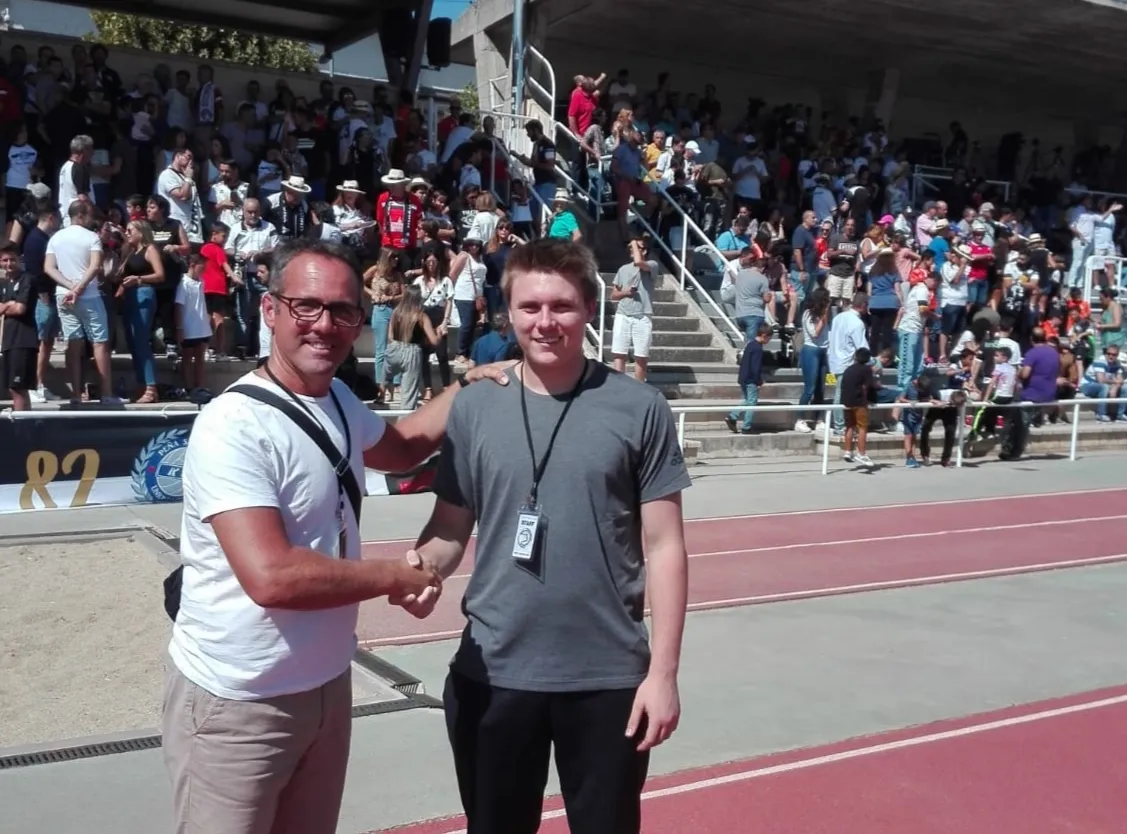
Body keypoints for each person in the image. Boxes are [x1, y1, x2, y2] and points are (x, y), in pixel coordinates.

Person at [162, 238, 510, 834]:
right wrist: (397, 576)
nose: (324, 325)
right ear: (270, 309)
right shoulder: (234, 424)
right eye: (307, 306)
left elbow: (402, 448)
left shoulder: (338, 399)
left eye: (342, 311)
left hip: (326, 685)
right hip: (240, 703)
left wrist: (467, 387)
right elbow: (271, 576)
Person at [393, 238, 691, 834]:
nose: (545, 322)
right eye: (530, 307)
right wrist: (422, 569)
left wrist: (663, 675)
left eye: (562, 306)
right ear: (508, 312)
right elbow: (450, 527)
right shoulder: (476, 407)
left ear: (589, 309)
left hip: (608, 678)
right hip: (493, 673)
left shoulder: (639, 408)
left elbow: (664, 547)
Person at [0, 241, 37, 411]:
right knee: (13, 387)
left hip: (23, 340)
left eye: (12, 259)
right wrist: (10, 304)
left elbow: (20, 309)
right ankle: (27, 422)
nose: (9, 264)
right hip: (9, 340)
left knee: (18, 387)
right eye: (5, 260)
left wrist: (6, 306)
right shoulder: (4, 283)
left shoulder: (27, 279)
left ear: (19, 259)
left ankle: (21, 423)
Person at [840, 347, 875, 468]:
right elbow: (867, 386)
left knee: (849, 426)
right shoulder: (866, 369)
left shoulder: (848, 369)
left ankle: (848, 451)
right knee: (862, 427)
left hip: (846, 402)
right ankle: (861, 453)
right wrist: (868, 400)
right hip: (859, 402)